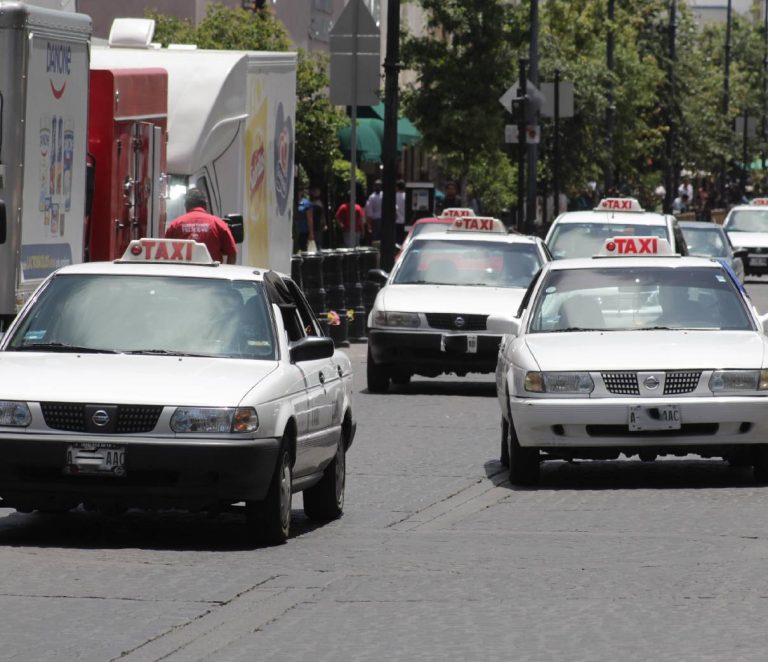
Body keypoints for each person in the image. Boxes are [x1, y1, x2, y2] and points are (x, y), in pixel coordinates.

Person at [165, 188, 237, 263]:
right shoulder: (218, 224)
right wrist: (224, 273)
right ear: (205, 206)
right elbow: (232, 253)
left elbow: (165, 252)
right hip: (211, 273)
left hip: (184, 273)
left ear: (186, 205)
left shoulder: (175, 224)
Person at [364, 179, 383, 243]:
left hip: (375, 220)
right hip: (382, 220)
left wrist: (369, 224)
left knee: (375, 238)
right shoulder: (384, 195)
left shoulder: (371, 197)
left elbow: (369, 211)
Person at [395, 179, 406, 245]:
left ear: (397, 187)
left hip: (396, 221)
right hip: (404, 221)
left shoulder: (394, 196)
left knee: (397, 240)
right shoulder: (406, 196)